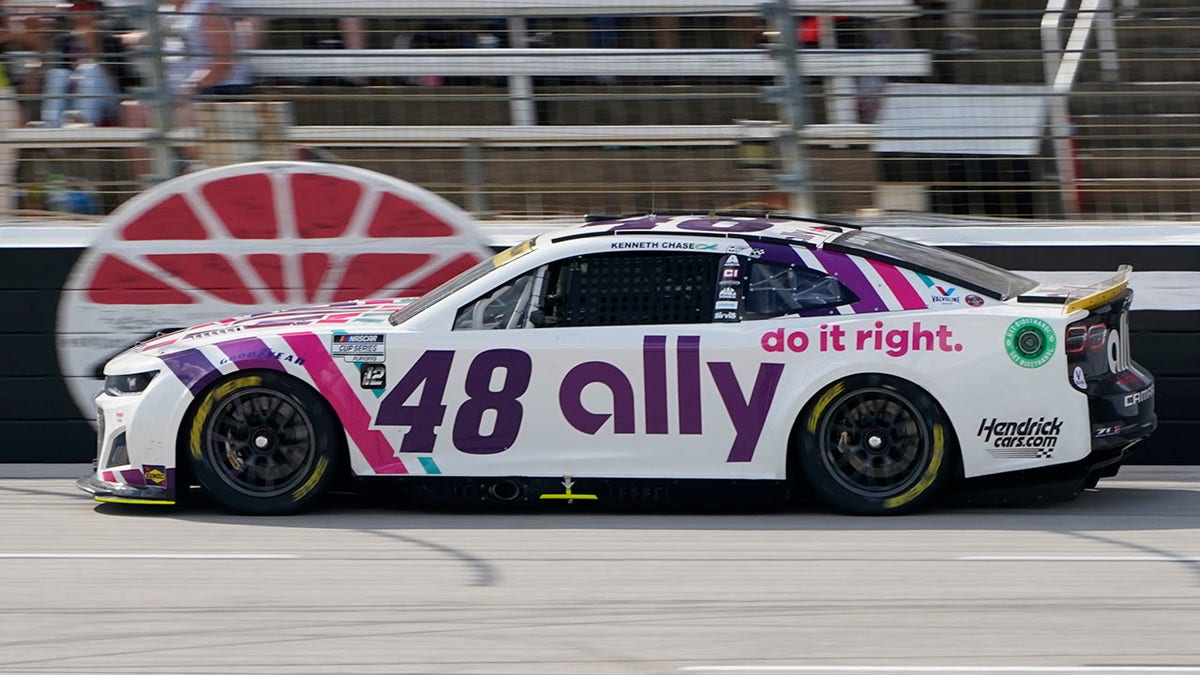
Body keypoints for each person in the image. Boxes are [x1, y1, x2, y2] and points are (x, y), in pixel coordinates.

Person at [42, 0, 140, 127]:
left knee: (91, 69)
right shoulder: (63, 41)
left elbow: (115, 81)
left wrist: (94, 48)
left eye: (85, 8)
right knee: (57, 74)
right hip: (73, 96)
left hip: (108, 98)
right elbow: (61, 75)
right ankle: (51, 125)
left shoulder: (109, 40)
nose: (79, 14)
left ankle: (84, 122)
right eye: (75, 9)